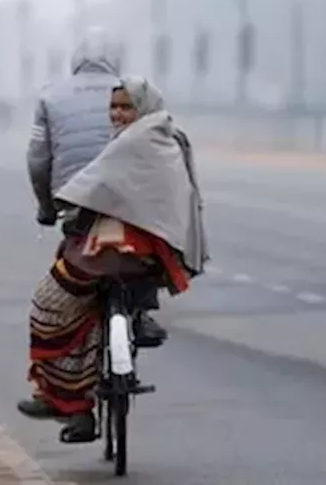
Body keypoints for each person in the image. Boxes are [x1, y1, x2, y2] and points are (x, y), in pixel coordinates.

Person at [18, 76, 208, 444]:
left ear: (143, 109)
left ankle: (68, 402)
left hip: (112, 255)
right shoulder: (169, 137)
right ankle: (139, 318)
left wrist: (61, 205)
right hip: (154, 261)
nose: (119, 114)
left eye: (126, 107)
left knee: (51, 304)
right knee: (94, 310)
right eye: (114, 107)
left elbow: (90, 186)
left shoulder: (133, 142)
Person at [26, 29, 168, 344]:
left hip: (75, 201)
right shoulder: (135, 94)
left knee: (73, 261)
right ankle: (142, 312)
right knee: (147, 243)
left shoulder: (50, 97)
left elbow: (38, 160)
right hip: (131, 201)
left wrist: (47, 208)